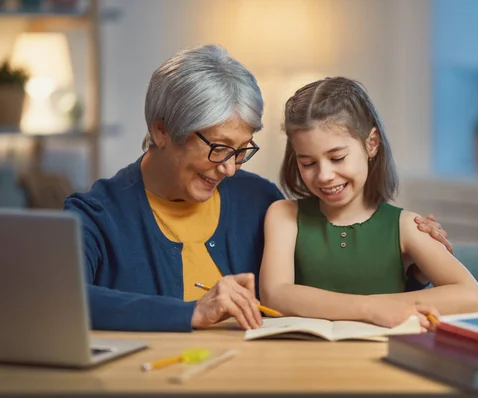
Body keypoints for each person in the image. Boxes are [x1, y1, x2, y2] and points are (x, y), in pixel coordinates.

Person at [64, 45, 452, 332]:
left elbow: (319, 281)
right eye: (218, 148)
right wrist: (191, 312)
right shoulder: (95, 215)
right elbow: (56, 299)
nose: (231, 168)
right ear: (161, 130)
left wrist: (408, 268)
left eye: (241, 150)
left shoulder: (259, 200)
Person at [259, 77, 478, 330]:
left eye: (337, 157)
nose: (324, 175)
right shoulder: (284, 215)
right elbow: (275, 296)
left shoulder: (407, 226)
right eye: (308, 163)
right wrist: (371, 309)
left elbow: (473, 299)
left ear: (371, 144)